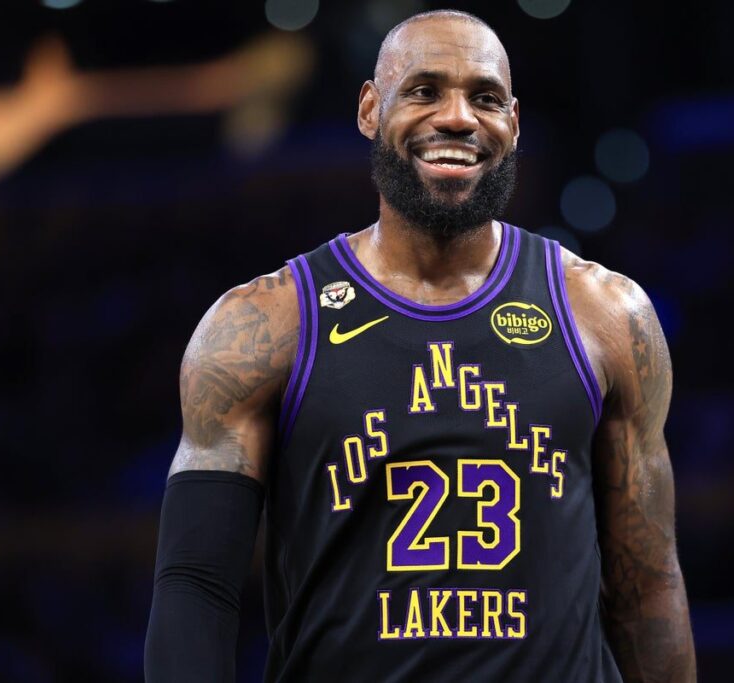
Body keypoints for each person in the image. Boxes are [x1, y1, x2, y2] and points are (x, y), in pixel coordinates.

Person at [145, 9, 695, 682]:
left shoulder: (608, 315)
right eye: (425, 90)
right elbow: (196, 587)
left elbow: (648, 586)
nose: (459, 117)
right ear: (370, 110)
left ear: (514, 124)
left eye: (485, 97)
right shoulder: (265, 324)